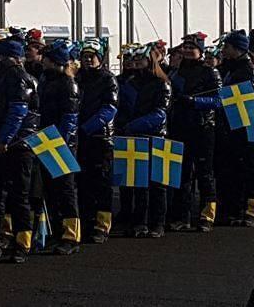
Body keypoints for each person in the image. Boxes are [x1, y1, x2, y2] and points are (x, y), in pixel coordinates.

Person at [0, 37, 40, 264]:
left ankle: (22, 243)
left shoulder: (18, 78)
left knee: (19, 196)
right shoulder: (4, 77)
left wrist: (4, 139)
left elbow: (18, 111)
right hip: (5, 142)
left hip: (17, 145)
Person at [167, 33, 223, 233]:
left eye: (192, 47)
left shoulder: (210, 72)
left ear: (200, 51)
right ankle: (183, 216)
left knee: (205, 173)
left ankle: (207, 216)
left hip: (203, 127)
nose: (188, 50)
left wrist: (193, 101)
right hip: (180, 127)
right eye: (185, 47)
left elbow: (218, 101)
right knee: (182, 175)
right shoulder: (175, 72)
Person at [114, 43, 171, 238]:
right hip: (133, 137)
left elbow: (160, 113)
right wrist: (122, 124)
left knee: (157, 184)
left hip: (155, 136)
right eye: (134, 60)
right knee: (137, 183)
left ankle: (158, 223)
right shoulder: (127, 83)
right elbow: (121, 108)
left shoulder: (161, 83)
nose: (136, 63)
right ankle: (139, 221)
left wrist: (134, 125)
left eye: (141, 60)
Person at [214, 30, 254, 227]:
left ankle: (252, 210)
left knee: (249, 167)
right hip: (231, 123)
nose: (223, 50)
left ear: (237, 49)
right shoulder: (229, 68)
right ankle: (234, 208)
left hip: (245, 122)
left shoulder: (247, 70)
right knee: (232, 168)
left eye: (227, 47)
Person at [38, 39, 81, 254]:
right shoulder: (46, 79)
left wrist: (60, 143)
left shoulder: (67, 84)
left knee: (66, 191)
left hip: (60, 143)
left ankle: (71, 235)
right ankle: (57, 231)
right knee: (52, 190)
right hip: (46, 139)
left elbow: (70, 118)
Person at [75, 38, 118, 244]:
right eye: (84, 56)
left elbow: (109, 109)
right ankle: (86, 220)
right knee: (83, 182)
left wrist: (87, 127)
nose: (87, 60)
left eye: (91, 56)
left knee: (102, 183)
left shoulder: (108, 79)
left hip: (101, 138)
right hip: (80, 137)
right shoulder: (78, 78)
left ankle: (102, 225)